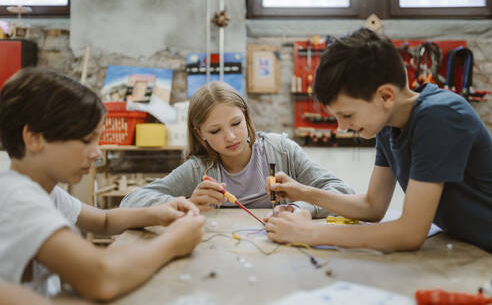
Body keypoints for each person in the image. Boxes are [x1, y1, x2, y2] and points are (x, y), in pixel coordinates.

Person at [265, 28, 492, 252]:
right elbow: (372, 207)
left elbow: (410, 233)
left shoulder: (439, 117)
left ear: (386, 96)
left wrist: (308, 233)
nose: (341, 127)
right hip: (471, 244)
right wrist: (302, 192)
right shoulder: (387, 125)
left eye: (347, 115)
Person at [0, 68, 205, 301]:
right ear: (34, 138)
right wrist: (174, 242)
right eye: (87, 140)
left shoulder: (45, 191)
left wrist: (158, 213)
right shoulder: (17, 199)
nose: (97, 153)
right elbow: (102, 278)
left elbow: (104, 221)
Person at [120, 81, 354, 219]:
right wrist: (186, 202)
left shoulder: (281, 151)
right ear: (199, 133)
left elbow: (344, 193)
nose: (230, 137)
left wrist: (302, 208)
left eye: (236, 124)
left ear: (246, 116)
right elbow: (130, 203)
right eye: (215, 131)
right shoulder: (199, 169)